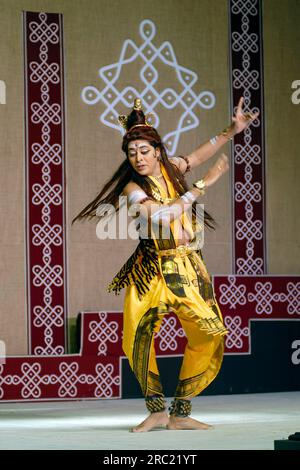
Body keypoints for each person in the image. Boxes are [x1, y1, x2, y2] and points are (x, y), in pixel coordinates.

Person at [72, 97, 258, 432]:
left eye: (144, 151)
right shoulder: (132, 187)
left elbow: (199, 155)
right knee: (137, 337)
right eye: (132, 153)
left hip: (186, 268)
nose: (138, 158)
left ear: (158, 150)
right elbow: (161, 216)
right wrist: (202, 186)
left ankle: (180, 412)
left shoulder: (172, 168)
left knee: (207, 335)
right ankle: (157, 409)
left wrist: (231, 131)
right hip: (150, 270)